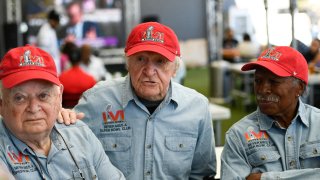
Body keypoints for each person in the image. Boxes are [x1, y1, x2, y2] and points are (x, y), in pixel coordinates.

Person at [60, 22, 216, 179]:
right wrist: (59, 119)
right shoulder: (97, 101)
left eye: (160, 61)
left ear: (175, 69)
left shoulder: (197, 107)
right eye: (141, 59)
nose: (149, 71)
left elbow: (202, 174)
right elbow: (65, 153)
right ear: (128, 63)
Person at [0, 45, 124, 179]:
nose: (34, 107)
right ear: (1, 104)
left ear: (59, 97)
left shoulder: (81, 133)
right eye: (20, 98)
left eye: (43, 96)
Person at [221, 46, 320, 179]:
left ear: (300, 88)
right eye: (257, 81)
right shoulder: (238, 135)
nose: (262, 89)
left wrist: (262, 178)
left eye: (274, 82)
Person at [59, 42, 96, 108]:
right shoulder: (90, 80)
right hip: (84, 114)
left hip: (64, 114)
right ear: (80, 58)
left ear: (69, 59)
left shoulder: (60, 79)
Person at [37, 9, 62, 74]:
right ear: (52, 20)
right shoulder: (44, 32)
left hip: (53, 67)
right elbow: (44, 55)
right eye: (57, 22)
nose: (57, 24)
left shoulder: (51, 29)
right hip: (48, 69)